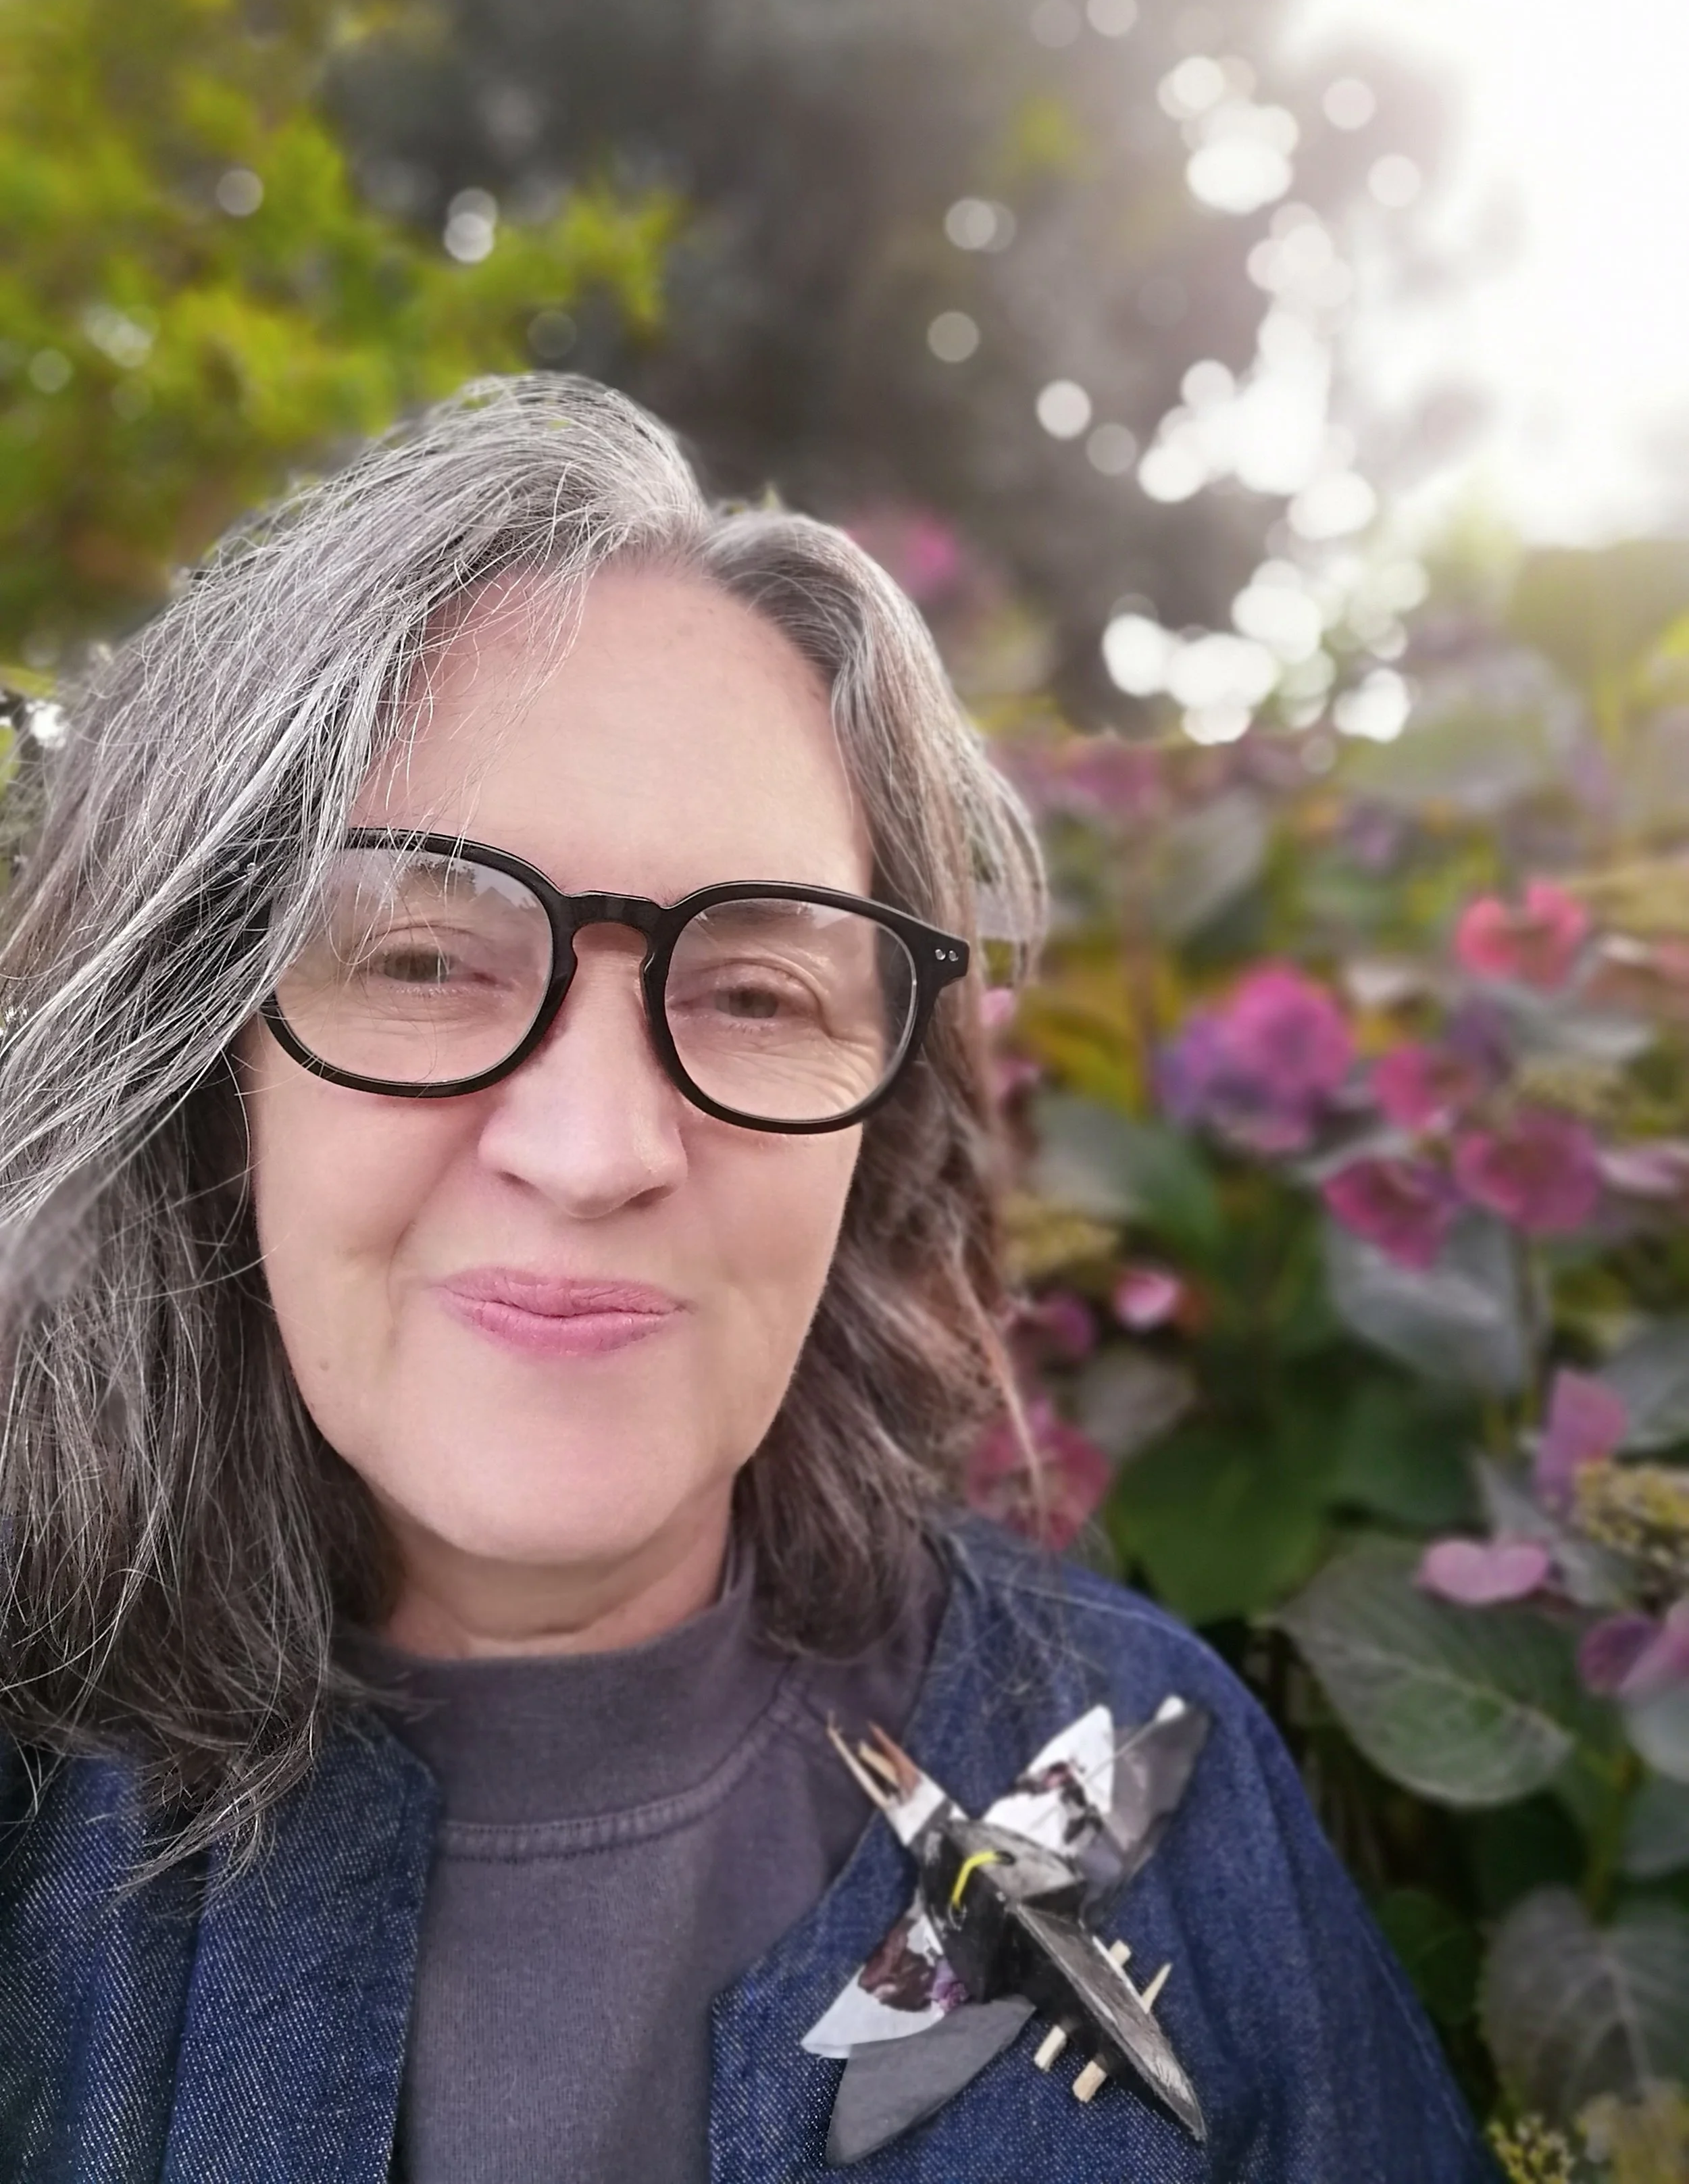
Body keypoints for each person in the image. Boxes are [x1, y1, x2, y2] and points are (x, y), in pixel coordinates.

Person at [0, 375, 1495, 2183]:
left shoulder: (1146, 1785)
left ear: (882, 1116)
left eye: (756, 990)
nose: (597, 1144)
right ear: (216, 1064)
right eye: (422, 960)